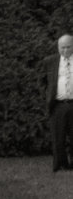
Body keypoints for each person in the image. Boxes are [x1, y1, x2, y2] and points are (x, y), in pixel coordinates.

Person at [41, 34, 73, 171]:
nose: (65, 51)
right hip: (58, 104)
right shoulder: (50, 61)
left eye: (68, 47)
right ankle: (60, 163)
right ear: (58, 47)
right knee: (58, 136)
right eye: (62, 48)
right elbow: (42, 81)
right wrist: (48, 95)